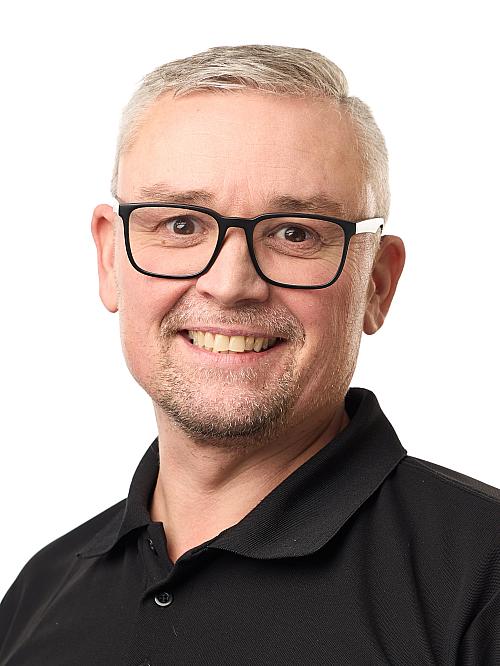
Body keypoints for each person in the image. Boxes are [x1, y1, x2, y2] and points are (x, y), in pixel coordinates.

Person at [0, 44, 498, 666]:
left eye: (295, 233)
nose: (231, 283)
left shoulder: (483, 587)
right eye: (181, 225)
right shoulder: (37, 598)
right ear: (109, 259)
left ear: (377, 283)